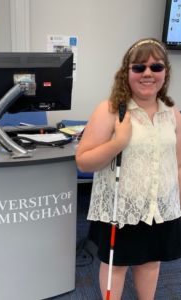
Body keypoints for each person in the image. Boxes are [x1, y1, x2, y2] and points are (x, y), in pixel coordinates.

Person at [76, 38, 181, 300]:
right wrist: (119, 141)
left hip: (161, 208)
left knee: (151, 261)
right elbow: (84, 161)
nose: (148, 73)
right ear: (127, 72)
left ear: (165, 73)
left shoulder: (172, 113)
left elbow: (177, 164)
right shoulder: (111, 110)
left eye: (156, 67)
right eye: (139, 67)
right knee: (117, 265)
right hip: (121, 208)